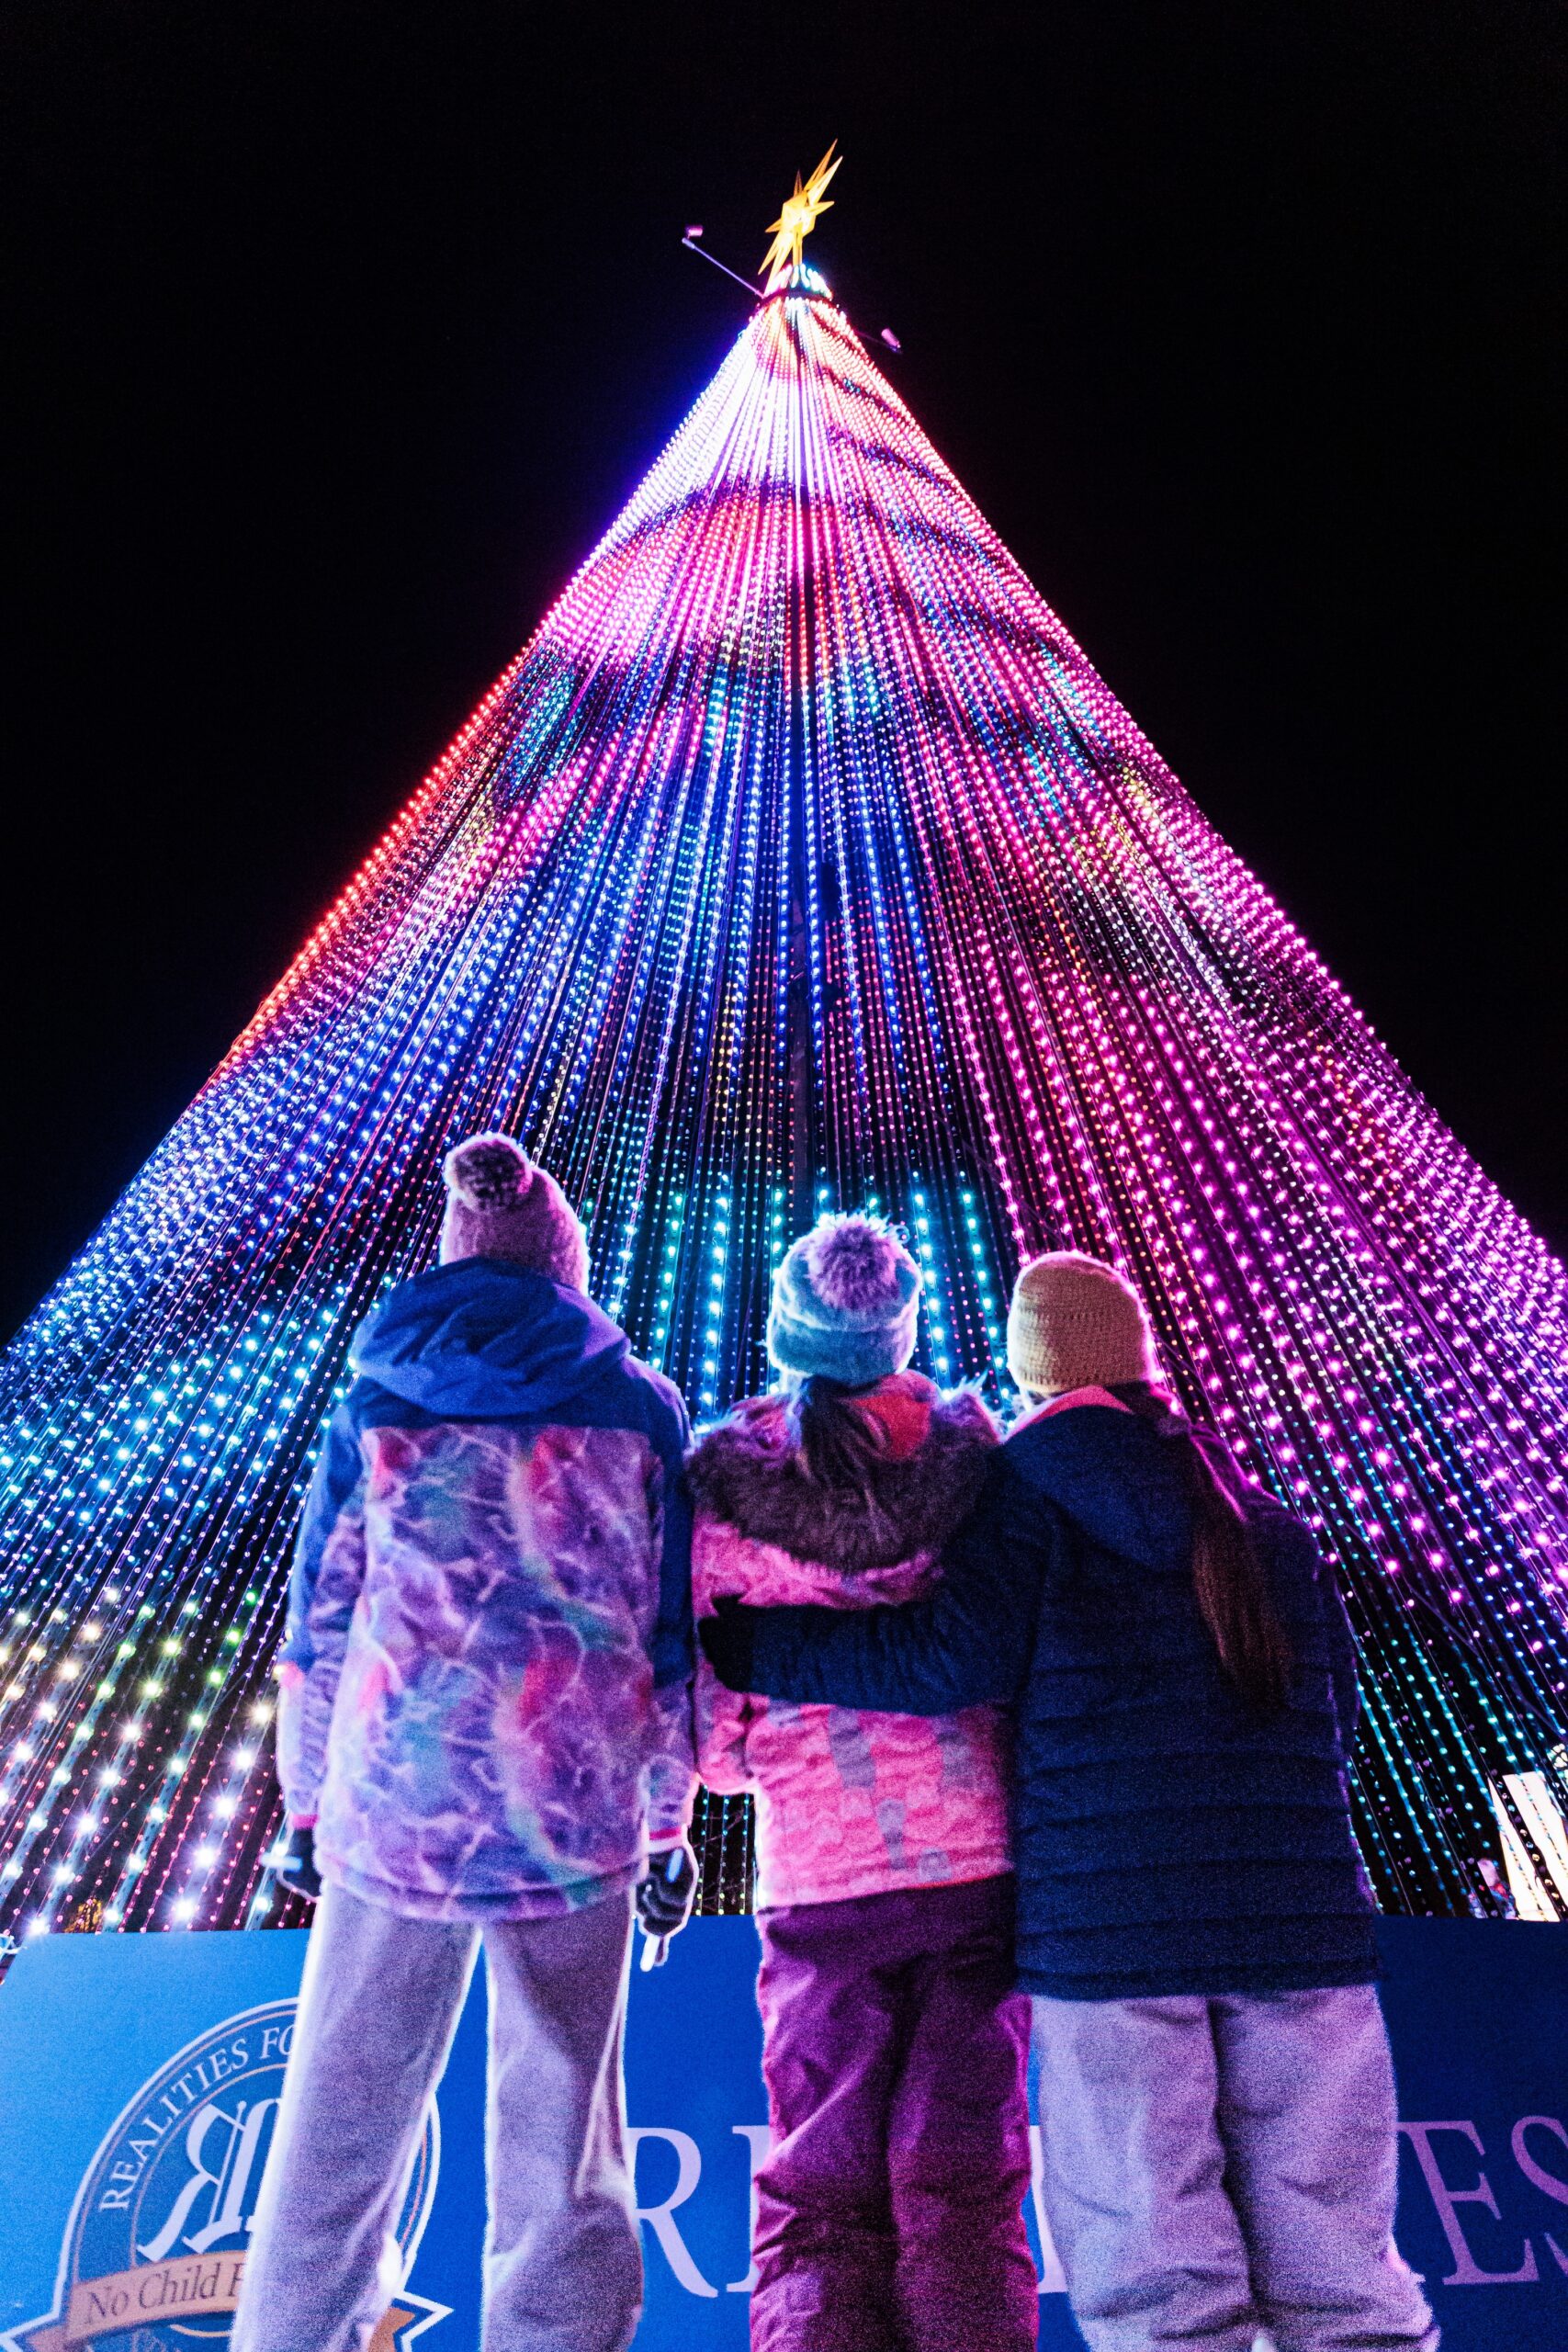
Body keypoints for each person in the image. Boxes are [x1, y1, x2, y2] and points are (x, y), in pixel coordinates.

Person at [703, 1250, 1437, 2352]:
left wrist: (757, 1646)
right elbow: (1325, 1723)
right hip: (1300, 1940)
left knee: (1155, 2266)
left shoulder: (1029, 1500)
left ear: (1031, 1368)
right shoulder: (1266, 1524)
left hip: (1105, 1939)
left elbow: (953, 1658)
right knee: (1337, 2261)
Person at [233, 1135, 698, 2352]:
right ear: (566, 1269)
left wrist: (302, 1803)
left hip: (399, 1801)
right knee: (561, 2138)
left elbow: (321, 1622)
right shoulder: (639, 1407)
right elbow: (667, 1633)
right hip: (571, 1803)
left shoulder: (376, 1399)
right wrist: (667, 1817)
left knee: (338, 2125)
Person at [688, 1211, 1036, 2352]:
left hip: (824, 1875)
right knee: (963, 2178)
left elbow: (708, 1707)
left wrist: (744, 1756)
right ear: (902, 1334)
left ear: (790, 1337)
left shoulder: (729, 1485)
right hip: (976, 1859)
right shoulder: (975, 1464)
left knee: (819, 2191)